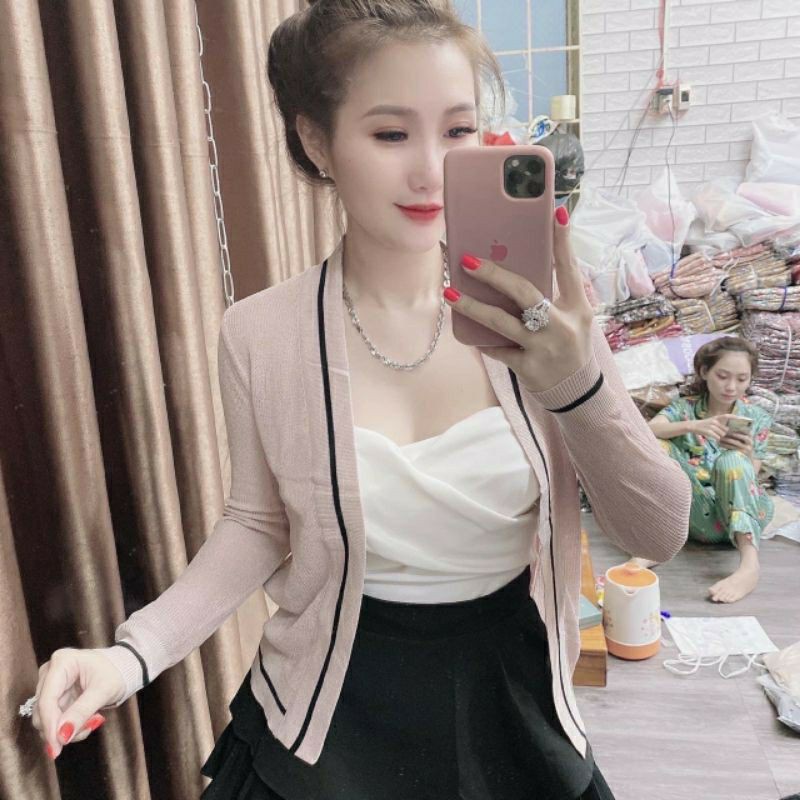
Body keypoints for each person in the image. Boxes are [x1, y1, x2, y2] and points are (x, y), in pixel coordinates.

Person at [31, 2, 692, 797]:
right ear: (317, 142)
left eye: (457, 130)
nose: (430, 170)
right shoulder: (261, 333)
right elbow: (257, 524)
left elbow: (658, 531)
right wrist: (129, 656)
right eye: (390, 134)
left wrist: (574, 384)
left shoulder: (545, 315)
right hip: (326, 708)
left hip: (511, 695)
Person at [648, 336, 774, 604]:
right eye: (722, 376)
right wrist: (693, 426)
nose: (731, 387)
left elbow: (751, 479)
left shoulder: (757, 418)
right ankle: (655, 542)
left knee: (733, 462)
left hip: (744, 514)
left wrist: (746, 454)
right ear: (705, 372)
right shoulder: (685, 408)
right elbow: (647, 431)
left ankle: (749, 566)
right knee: (657, 446)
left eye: (742, 379)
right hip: (700, 518)